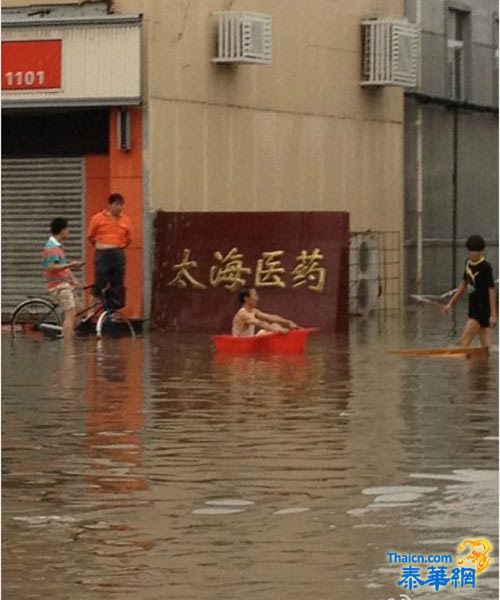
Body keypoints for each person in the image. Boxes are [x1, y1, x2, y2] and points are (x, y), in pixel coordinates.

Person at [443, 235, 497, 348]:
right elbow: (463, 285)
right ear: (468, 250)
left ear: (482, 251)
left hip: (482, 309)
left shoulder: (486, 267)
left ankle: (457, 364)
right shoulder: (468, 263)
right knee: (486, 348)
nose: (475, 253)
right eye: (472, 250)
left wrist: (493, 314)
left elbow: (491, 289)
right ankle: (483, 365)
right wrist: (450, 304)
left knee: (463, 342)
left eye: (477, 251)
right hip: (473, 306)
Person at [87, 193, 132, 309]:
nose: (120, 208)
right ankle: (91, 312)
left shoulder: (125, 220)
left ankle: (112, 313)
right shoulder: (98, 218)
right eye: (117, 205)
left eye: (121, 205)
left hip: (117, 253)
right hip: (103, 254)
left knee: (117, 285)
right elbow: (91, 236)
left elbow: (128, 238)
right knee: (99, 283)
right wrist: (100, 246)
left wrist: (119, 246)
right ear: (110, 205)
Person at [42, 218, 84, 338]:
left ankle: (69, 335)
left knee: (80, 310)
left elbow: (63, 267)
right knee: (70, 314)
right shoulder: (52, 248)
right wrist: (71, 264)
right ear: (62, 230)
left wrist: (74, 280)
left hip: (64, 285)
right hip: (58, 287)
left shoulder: (57, 246)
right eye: (67, 229)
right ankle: (67, 347)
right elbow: (51, 267)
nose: (69, 231)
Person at [232, 288, 299, 337]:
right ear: (246, 298)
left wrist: (288, 322)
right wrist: (277, 330)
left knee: (275, 325)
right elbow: (260, 323)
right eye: (254, 295)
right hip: (240, 344)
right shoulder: (242, 314)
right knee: (272, 329)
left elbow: (270, 317)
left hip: (249, 341)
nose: (257, 298)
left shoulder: (254, 311)